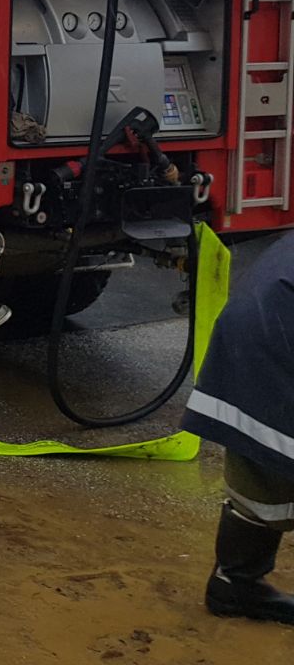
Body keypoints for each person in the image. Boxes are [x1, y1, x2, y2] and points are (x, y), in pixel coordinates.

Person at [182, 237, 294, 625]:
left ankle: (234, 584)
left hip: (253, 328)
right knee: (271, 461)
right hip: (276, 338)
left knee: (261, 471)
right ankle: (237, 586)